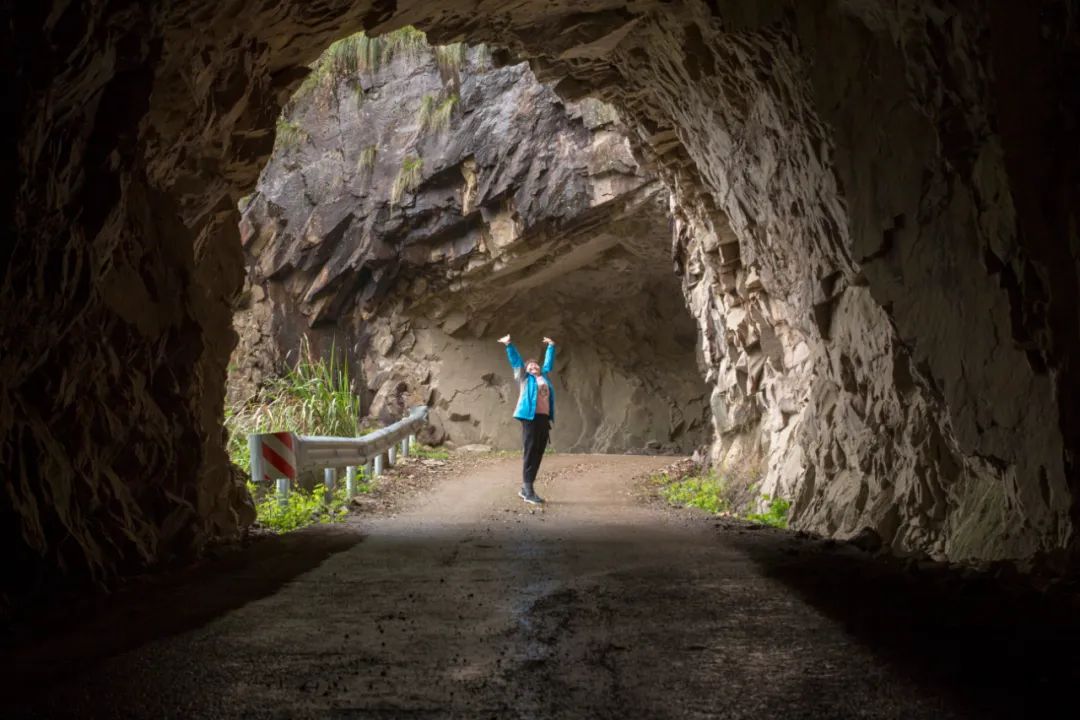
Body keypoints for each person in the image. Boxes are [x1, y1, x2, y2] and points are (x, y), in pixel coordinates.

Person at [498, 333, 556, 504]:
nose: (532, 368)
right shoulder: (524, 378)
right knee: (530, 450)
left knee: (539, 451)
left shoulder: (544, 376)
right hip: (529, 417)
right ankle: (528, 489)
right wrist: (509, 344)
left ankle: (526, 488)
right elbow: (516, 362)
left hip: (544, 418)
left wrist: (551, 346)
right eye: (529, 367)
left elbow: (548, 363)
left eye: (534, 365)